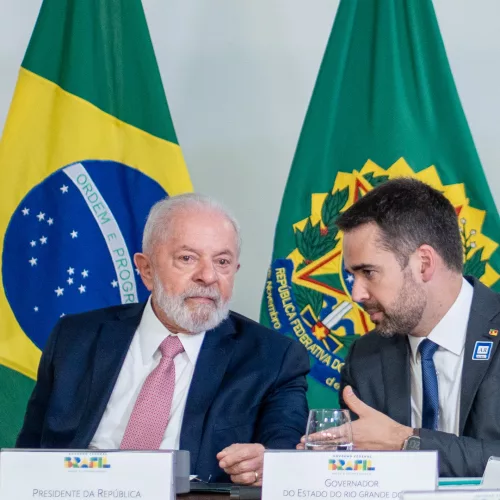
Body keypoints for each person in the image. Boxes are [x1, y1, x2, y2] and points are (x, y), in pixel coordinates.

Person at [17, 193, 309, 484]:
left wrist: (267, 459)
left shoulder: (274, 358)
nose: (208, 276)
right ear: (146, 269)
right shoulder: (75, 338)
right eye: (187, 258)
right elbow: (27, 456)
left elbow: (284, 449)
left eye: (222, 261)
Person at [298, 177, 500, 477]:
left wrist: (405, 441)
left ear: (423, 263)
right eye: (353, 275)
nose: (356, 294)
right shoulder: (366, 356)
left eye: (368, 272)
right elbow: (362, 474)